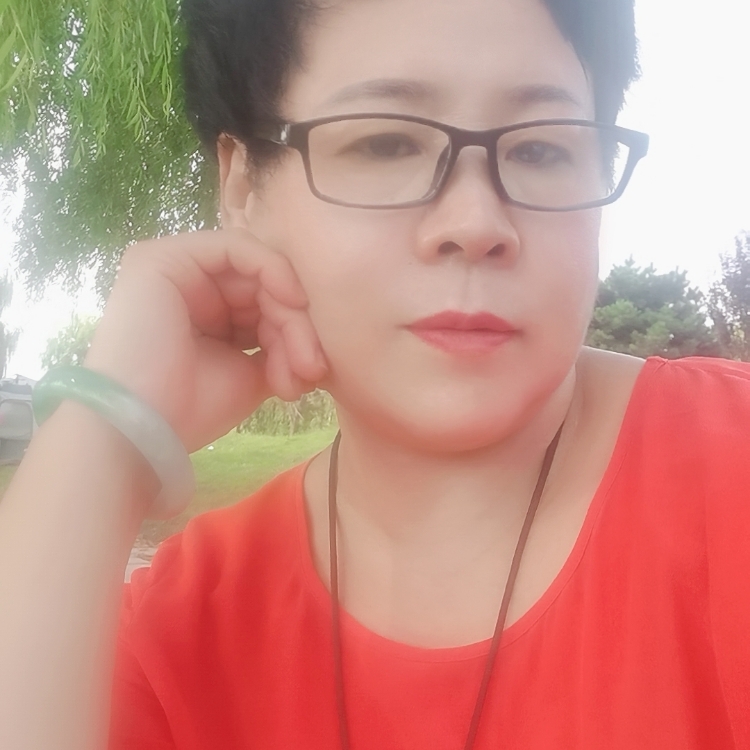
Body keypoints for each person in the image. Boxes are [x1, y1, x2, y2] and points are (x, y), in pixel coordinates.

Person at [0, 0, 748, 748]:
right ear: (244, 188)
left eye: (542, 149)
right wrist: (103, 435)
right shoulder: (178, 632)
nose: (476, 224)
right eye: (388, 143)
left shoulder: (728, 470)